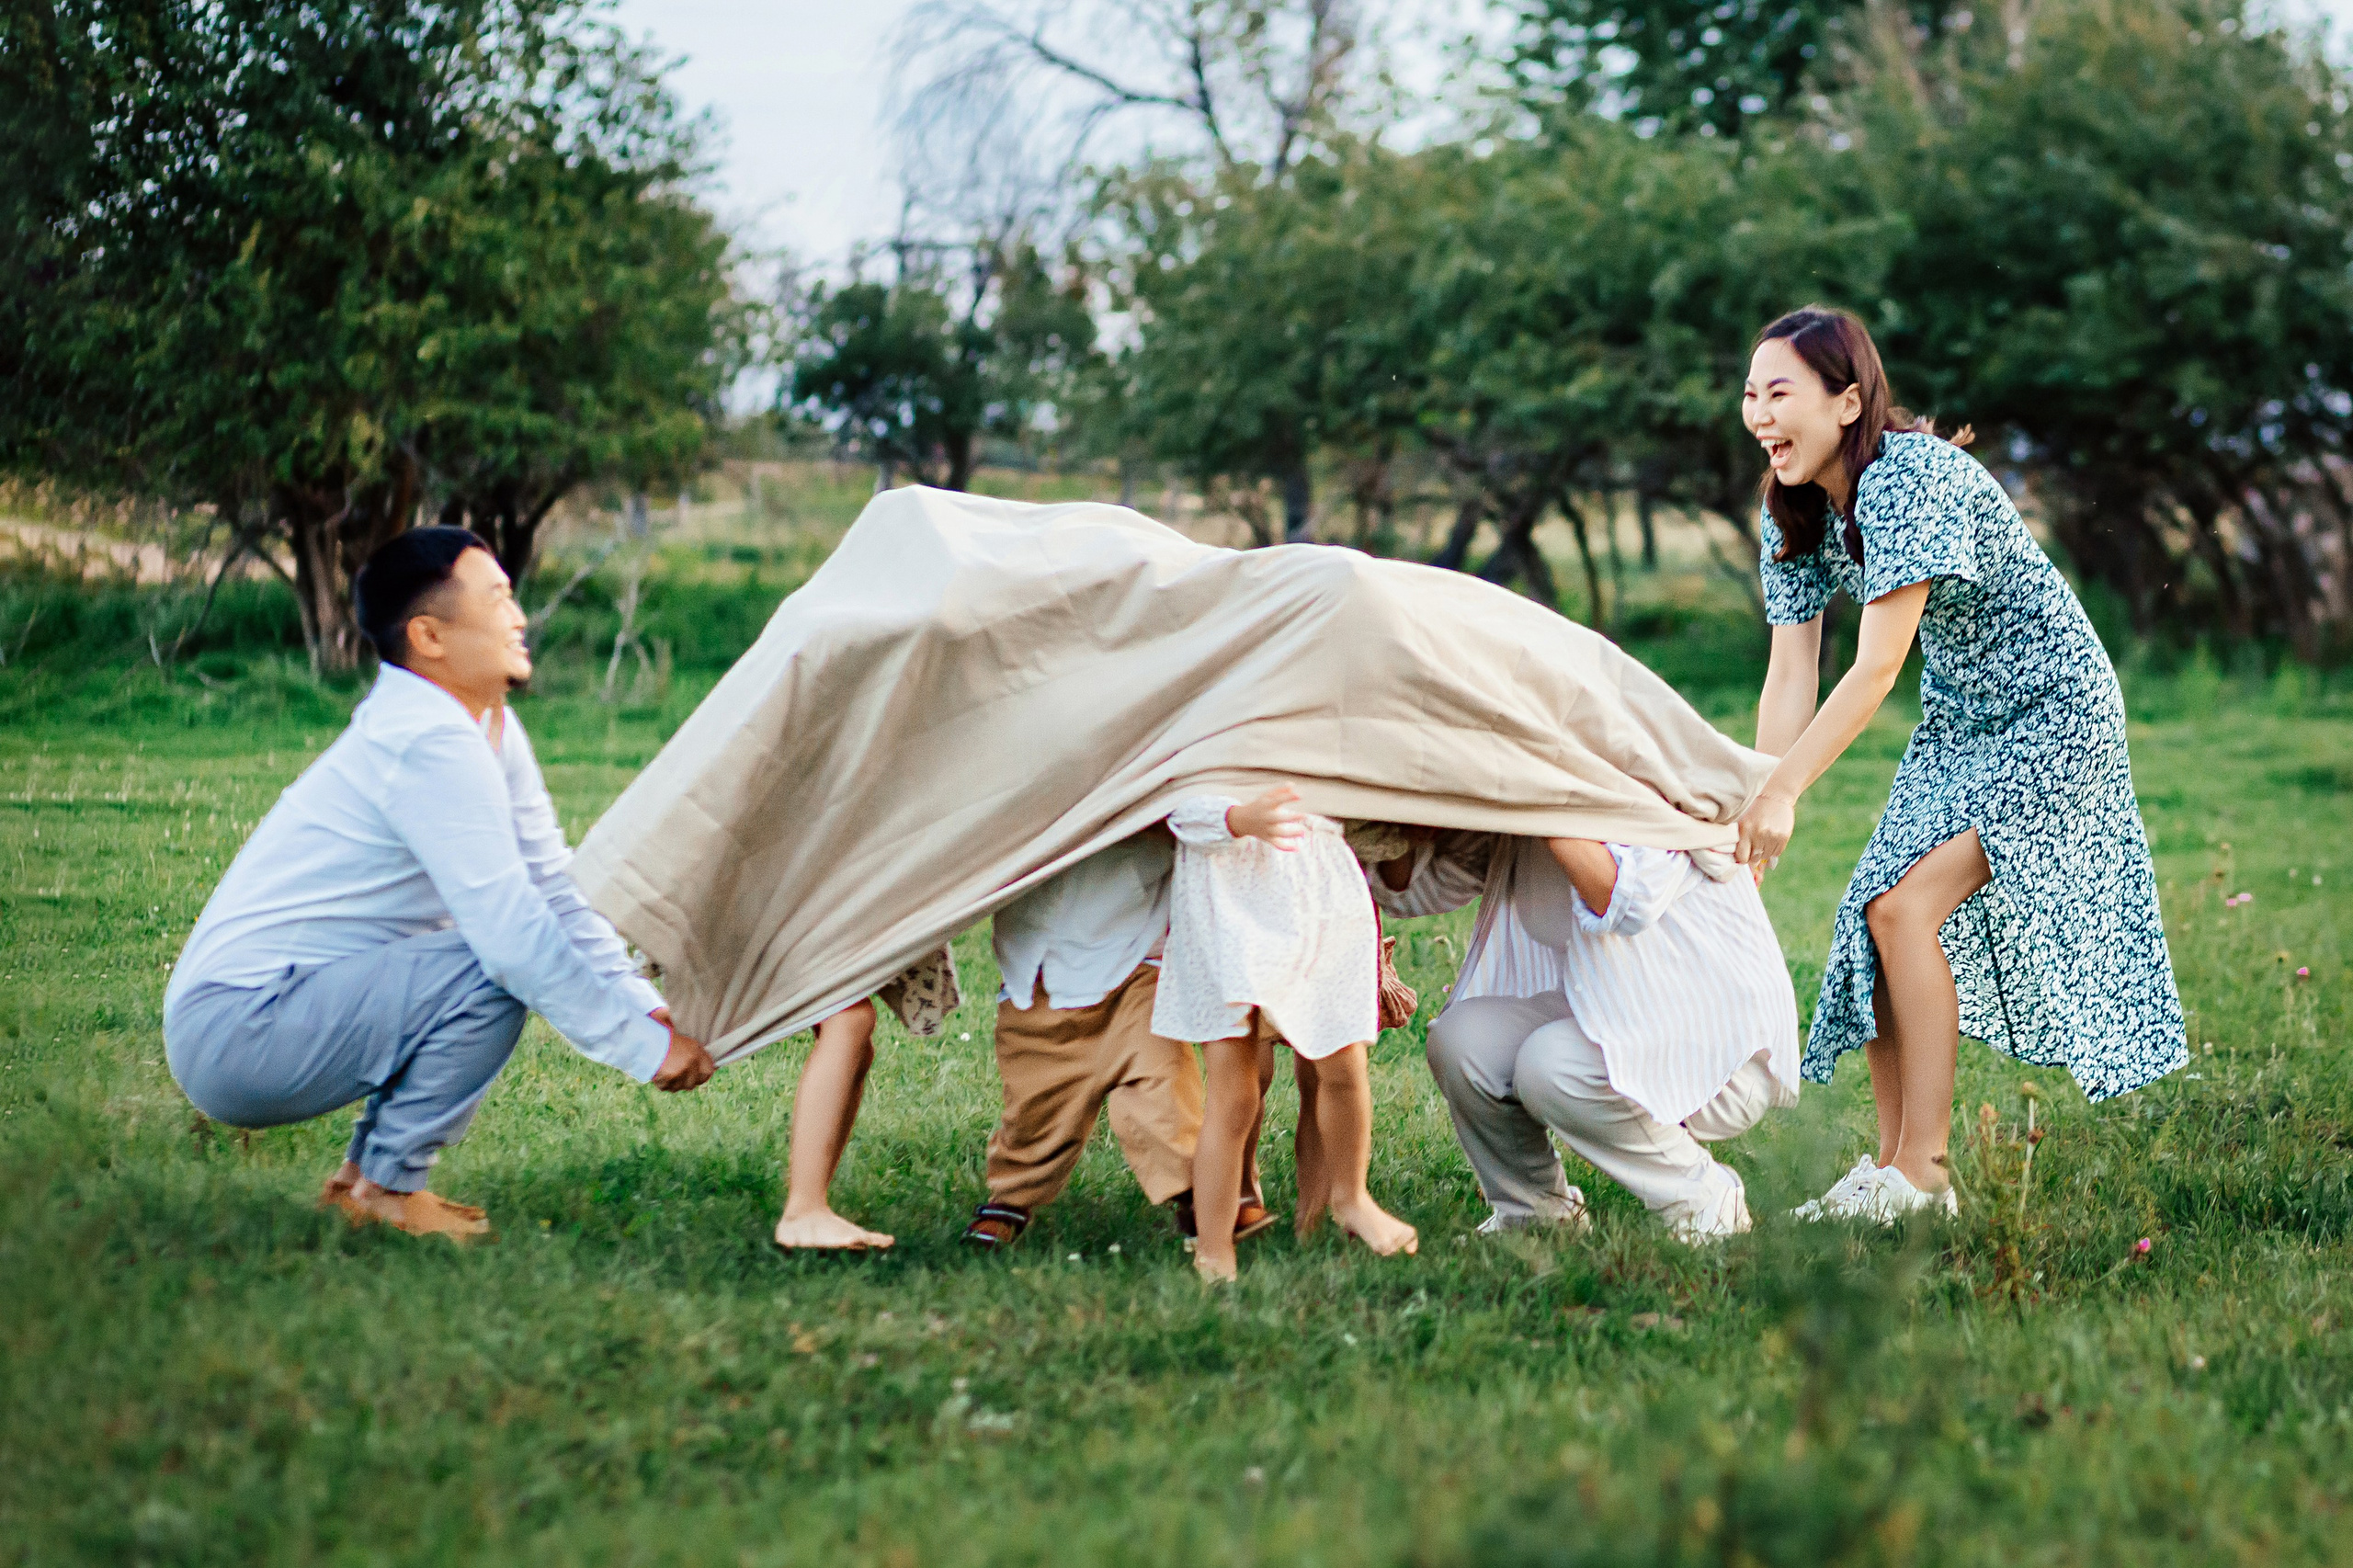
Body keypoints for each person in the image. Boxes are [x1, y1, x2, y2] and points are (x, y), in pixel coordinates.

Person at [1733, 305, 2186, 1221]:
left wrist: (1787, 788)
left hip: (2054, 712)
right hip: (1961, 720)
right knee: (1868, 912)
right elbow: (1792, 671)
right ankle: (1896, 1170)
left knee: (1906, 908)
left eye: (1779, 391)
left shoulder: (1912, 479)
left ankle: (1924, 1171)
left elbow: (1876, 665)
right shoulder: (1797, 511)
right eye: (1748, 394)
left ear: (1848, 398)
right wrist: (1747, 794)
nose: (1758, 413)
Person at [164, 528, 714, 1241]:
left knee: (490, 953)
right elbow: (514, 936)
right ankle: (390, 1187)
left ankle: (363, 1188)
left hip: (269, 1012)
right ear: (429, 635)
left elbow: (551, 884)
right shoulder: (425, 738)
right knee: (492, 967)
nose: (520, 619)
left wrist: (641, 1004)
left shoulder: (483, 723)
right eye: (499, 600)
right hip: (239, 1028)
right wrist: (637, 1048)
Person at [1378, 831, 1799, 1242]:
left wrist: (1543, 805)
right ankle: (1535, 1213)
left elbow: (1626, 899)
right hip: (1606, 1006)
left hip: (1713, 1041)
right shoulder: (1520, 802)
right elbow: (1419, 890)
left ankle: (1701, 1195)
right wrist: (1393, 824)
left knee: (1550, 1063)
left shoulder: (1654, 791)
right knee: (1462, 1040)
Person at [955, 830, 1277, 1251]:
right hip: (1038, 979)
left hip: (1136, 966)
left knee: (1162, 1080)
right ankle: (1012, 1197)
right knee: (1037, 1107)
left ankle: (1200, 1194)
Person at [1154, 785, 1418, 1282]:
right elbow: (1178, 801)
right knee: (1234, 1094)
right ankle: (1213, 1245)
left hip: (1319, 896)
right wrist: (1235, 817)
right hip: (1231, 901)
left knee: (1343, 1068)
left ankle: (1350, 1198)